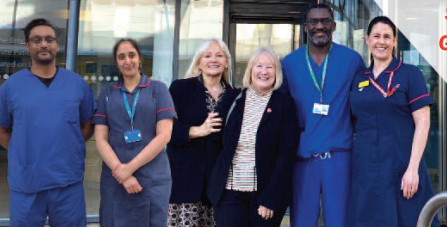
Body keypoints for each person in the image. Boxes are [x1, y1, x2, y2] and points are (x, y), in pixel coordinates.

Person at [0, 18, 95, 227]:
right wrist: (22, 152)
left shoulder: (76, 84)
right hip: (27, 182)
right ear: (28, 46)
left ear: (56, 46)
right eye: (37, 40)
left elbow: (87, 126)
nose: (43, 44)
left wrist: (68, 146)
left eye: (49, 39)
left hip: (67, 181)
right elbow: (2, 130)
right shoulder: (11, 87)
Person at [347, 16, 438, 227]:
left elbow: (423, 122)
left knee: (407, 220)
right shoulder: (359, 78)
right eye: (376, 36)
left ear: (395, 41)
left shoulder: (410, 74)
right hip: (366, 169)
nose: (382, 41)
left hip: (401, 166)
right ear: (367, 39)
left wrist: (413, 169)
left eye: (387, 37)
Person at [281, 3, 366, 227]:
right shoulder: (289, 63)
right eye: (314, 21)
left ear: (334, 26)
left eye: (325, 21)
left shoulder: (352, 60)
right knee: (302, 220)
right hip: (303, 158)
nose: (320, 26)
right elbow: (283, 114)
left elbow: (362, 108)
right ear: (305, 26)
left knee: (340, 220)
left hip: (339, 157)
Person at [207, 47, 299, 227]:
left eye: (270, 67)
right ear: (250, 70)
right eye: (259, 66)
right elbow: (214, 143)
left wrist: (271, 198)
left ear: (277, 73)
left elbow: (286, 156)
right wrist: (213, 186)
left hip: (264, 196)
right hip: (229, 194)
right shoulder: (231, 99)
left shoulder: (284, 104)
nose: (264, 72)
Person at [94, 38, 177, 226]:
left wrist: (129, 169)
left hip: (152, 178)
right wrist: (121, 173)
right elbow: (100, 138)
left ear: (140, 58)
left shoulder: (158, 90)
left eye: (132, 55)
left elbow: (164, 135)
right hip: (115, 180)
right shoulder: (107, 94)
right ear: (116, 62)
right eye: (121, 57)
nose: (127, 61)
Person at [168, 39, 233, 227]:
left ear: (226, 62)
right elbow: (164, 131)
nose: (214, 59)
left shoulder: (234, 95)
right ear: (199, 62)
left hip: (220, 185)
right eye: (207, 55)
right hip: (186, 184)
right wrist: (198, 130)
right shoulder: (180, 89)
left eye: (219, 55)